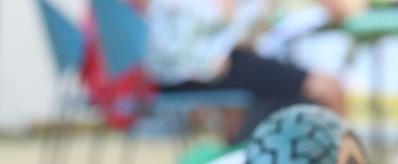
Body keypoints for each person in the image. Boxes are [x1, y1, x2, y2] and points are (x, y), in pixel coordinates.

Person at [141, 0, 354, 135]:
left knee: (312, 87)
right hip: (205, 69)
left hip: (185, 71)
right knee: (326, 87)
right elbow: (227, 24)